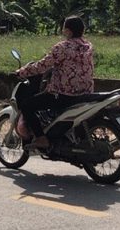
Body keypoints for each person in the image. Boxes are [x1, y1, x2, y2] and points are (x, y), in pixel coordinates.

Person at [16, 16, 94, 149]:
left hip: (63, 94)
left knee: (26, 105)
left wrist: (22, 72)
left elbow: (42, 66)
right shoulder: (88, 46)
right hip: (85, 93)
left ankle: (41, 138)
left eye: (64, 28)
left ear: (68, 31)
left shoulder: (62, 47)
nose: (63, 31)